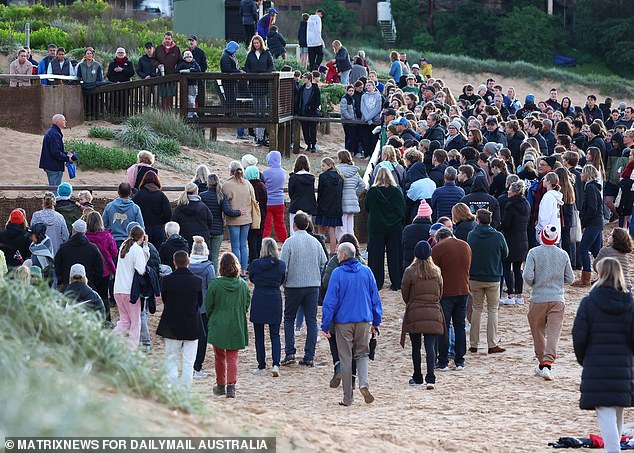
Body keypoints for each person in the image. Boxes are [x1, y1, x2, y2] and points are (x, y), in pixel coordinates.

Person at [572, 257, 634, 453]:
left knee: (606, 411)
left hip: (597, 363)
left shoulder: (589, 303)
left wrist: (584, 359)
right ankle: (613, 448)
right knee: (617, 409)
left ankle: (613, 450)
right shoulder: (630, 303)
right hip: (623, 363)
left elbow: (579, 335)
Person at [321, 242, 382, 406]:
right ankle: (364, 383)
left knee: (346, 357)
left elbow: (330, 302)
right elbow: (375, 299)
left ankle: (348, 397)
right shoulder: (366, 271)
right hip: (363, 320)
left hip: (344, 322)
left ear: (343, 256)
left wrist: (325, 325)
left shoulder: (337, 273)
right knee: (362, 354)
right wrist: (376, 322)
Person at [523, 225, 575, 380]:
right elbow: (570, 278)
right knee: (553, 333)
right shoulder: (563, 254)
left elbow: (527, 276)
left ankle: (543, 363)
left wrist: (535, 283)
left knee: (538, 331)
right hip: (557, 298)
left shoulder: (534, 252)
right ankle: (547, 364)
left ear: (542, 236)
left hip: (538, 298)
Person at [280, 212, 328, 367]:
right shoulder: (315, 242)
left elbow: (283, 266)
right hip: (312, 285)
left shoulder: (289, 242)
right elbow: (324, 263)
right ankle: (309, 356)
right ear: (307, 225)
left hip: (293, 285)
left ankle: (290, 352)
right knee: (311, 320)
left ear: (294, 225)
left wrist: (284, 282)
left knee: (289, 319)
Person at [400, 240, 445, 389]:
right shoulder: (436, 271)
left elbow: (405, 293)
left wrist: (412, 302)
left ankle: (417, 376)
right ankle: (431, 377)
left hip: (415, 311)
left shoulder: (410, 271)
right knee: (430, 346)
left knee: (416, 346)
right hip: (433, 311)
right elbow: (440, 292)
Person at [205, 252, 250, 398]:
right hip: (236, 321)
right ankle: (231, 386)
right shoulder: (243, 285)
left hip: (219, 322)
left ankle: (220, 385)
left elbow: (208, 305)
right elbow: (246, 304)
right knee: (232, 356)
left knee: (219, 356)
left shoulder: (215, 284)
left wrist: (213, 317)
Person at [156, 250, 202, 389]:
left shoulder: (168, 280)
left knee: (171, 358)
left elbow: (165, 299)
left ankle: (173, 387)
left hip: (172, 322)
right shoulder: (196, 281)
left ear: (174, 263)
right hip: (191, 323)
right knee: (189, 361)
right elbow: (199, 302)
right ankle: (185, 388)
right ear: (188, 262)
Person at [467, 209, 508, 354]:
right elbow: (505, 253)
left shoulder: (472, 235)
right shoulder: (497, 236)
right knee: (492, 309)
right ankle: (492, 343)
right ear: (490, 220)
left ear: (477, 220)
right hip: (493, 276)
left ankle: (474, 344)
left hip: (475, 276)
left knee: (476, 309)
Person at [248, 238, 286, 377]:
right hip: (274, 297)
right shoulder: (281, 265)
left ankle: (261, 364)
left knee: (259, 335)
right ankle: (276, 364)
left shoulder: (255, 264)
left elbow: (251, 278)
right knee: (275, 334)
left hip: (259, 297)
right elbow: (282, 279)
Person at [365, 167, 406, 291]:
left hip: (376, 226)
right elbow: (402, 210)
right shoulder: (396, 192)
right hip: (394, 227)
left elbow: (367, 208)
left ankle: (376, 282)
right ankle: (396, 281)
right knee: (395, 255)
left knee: (375, 256)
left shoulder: (372, 192)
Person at [113, 225, 149, 348]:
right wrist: (146, 249)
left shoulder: (124, 246)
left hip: (118, 289)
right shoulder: (136, 250)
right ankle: (131, 349)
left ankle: (109, 341)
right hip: (130, 291)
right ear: (142, 237)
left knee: (124, 321)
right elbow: (141, 270)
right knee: (135, 322)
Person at [187, 236, 215, 378]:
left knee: (190, 336)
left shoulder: (188, 265)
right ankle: (197, 366)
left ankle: (189, 365)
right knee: (202, 337)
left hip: (189, 305)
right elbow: (212, 287)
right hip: (203, 306)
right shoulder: (208, 267)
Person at [498, 180, 530, 305]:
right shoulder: (526, 204)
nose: (508, 192)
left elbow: (506, 224)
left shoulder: (510, 205)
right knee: (518, 268)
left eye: (510, 190)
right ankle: (519, 295)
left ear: (515, 192)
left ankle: (510, 295)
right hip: (522, 238)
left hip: (510, 239)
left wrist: (500, 225)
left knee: (507, 267)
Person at [200, 173, 241, 271]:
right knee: (215, 256)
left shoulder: (202, 196)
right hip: (218, 230)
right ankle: (213, 275)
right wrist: (239, 212)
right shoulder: (222, 196)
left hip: (206, 229)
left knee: (206, 255)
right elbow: (228, 211)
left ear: (208, 183)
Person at [573, 165, 604, 287]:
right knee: (596, 251)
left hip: (593, 222)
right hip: (597, 222)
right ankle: (603, 276)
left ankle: (586, 278)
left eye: (582, 173)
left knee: (583, 248)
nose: (581, 175)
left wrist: (584, 222)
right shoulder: (593, 187)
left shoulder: (590, 187)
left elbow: (592, 208)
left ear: (587, 174)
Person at [84, 211, 117, 323]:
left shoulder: (85, 237)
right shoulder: (107, 236)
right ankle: (106, 320)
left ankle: (92, 320)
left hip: (89, 271)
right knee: (103, 296)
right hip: (104, 270)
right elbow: (114, 252)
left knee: (90, 295)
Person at [222, 161, 255, 274]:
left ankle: (236, 270)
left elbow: (224, 203)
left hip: (234, 219)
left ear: (231, 171)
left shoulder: (226, 185)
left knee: (235, 246)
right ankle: (244, 270)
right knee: (243, 245)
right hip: (246, 218)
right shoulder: (247, 184)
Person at [244, 35, 274, 146]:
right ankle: (257, 137)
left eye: (258, 43)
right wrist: (250, 75)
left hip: (264, 84)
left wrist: (265, 76)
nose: (256, 44)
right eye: (254, 43)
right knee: (256, 110)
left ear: (261, 43)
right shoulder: (250, 54)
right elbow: (247, 67)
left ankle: (263, 137)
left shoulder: (266, 53)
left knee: (263, 109)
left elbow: (271, 66)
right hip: (253, 84)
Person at [131, 171, 171, 249]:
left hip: (142, 229)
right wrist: (160, 222)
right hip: (158, 229)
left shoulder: (138, 195)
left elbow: (133, 212)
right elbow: (168, 214)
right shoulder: (161, 195)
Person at [171, 183, 213, 249]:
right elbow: (210, 221)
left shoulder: (179, 208)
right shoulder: (203, 207)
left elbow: (174, 222)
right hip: (201, 237)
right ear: (196, 192)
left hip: (185, 237)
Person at [315, 157, 344, 254]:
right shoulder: (340, 177)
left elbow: (320, 193)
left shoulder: (323, 176)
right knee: (332, 233)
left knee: (320, 232)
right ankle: (332, 253)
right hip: (335, 208)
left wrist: (318, 205)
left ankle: (321, 252)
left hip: (323, 206)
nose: (322, 168)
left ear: (329, 165)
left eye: (323, 165)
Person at [102, 182, 145, 247]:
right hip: (130, 243)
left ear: (118, 192)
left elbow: (103, 225)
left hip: (112, 241)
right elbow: (141, 227)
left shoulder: (109, 206)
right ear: (130, 193)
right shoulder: (135, 208)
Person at [336, 150, 366, 239]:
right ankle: (351, 244)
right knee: (350, 226)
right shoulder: (354, 171)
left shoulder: (337, 170)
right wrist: (355, 193)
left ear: (340, 159)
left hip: (341, 199)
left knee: (342, 227)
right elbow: (362, 185)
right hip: (352, 199)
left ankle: (343, 244)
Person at [39, 114, 73, 189]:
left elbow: (55, 150)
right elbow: (55, 153)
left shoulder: (52, 132)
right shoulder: (54, 134)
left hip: (51, 165)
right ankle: (53, 201)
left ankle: (52, 200)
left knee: (53, 187)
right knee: (55, 189)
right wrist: (67, 158)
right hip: (54, 166)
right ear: (58, 122)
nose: (65, 122)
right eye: (64, 120)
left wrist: (66, 153)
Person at [288, 154, 318, 234]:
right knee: (308, 229)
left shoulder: (293, 178)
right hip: (308, 206)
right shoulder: (311, 178)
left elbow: (291, 192)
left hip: (296, 205)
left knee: (293, 229)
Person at [261, 151, 287, 243]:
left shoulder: (266, 172)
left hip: (268, 201)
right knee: (280, 224)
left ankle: (264, 244)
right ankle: (285, 242)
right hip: (279, 201)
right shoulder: (283, 172)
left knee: (267, 225)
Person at [402, 200, 433, 272]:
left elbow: (402, 247)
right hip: (425, 265)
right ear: (429, 215)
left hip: (408, 263)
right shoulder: (430, 230)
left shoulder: (407, 229)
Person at [245, 165, 267, 262]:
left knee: (252, 238)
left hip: (251, 215)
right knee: (259, 237)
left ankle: (253, 259)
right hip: (261, 214)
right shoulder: (262, 185)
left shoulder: (247, 185)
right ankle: (258, 257)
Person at [155, 32, 182, 109]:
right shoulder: (159, 48)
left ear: (171, 39)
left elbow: (180, 61)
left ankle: (169, 111)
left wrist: (176, 70)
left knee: (170, 95)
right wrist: (158, 65)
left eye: (169, 39)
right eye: (166, 38)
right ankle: (163, 112)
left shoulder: (176, 49)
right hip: (162, 76)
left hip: (172, 76)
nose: (167, 40)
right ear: (164, 38)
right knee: (163, 95)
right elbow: (154, 59)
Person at [296, 72, 321, 152]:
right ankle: (308, 144)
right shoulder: (302, 88)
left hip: (312, 113)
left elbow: (318, 101)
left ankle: (313, 144)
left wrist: (311, 107)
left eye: (305, 78)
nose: (304, 79)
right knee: (305, 130)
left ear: (309, 79)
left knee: (313, 130)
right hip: (303, 112)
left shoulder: (315, 89)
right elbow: (299, 100)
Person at [536, 172, 563, 243]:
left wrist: (539, 229)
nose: (543, 181)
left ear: (549, 182)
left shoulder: (548, 196)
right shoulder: (554, 196)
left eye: (544, 179)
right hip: (555, 233)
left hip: (547, 234)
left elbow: (544, 216)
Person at [176, 50, 201, 117]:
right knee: (190, 100)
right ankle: (190, 114)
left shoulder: (194, 63)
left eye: (190, 57)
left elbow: (199, 70)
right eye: (187, 57)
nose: (189, 58)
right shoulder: (182, 64)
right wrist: (186, 71)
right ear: (184, 58)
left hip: (194, 84)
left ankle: (193, 113)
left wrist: (190, 70)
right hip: (186, 85)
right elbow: (178, 71)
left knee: (194, 98)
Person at [186, 35, 208, 108]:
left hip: (199, 80)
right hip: (188, 81)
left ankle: (200, 115)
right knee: (189, 99)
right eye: (190, 41)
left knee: (200, 98)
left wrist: (196, 71)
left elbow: (204, 66)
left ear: (196, 42)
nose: (191, 42)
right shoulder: (186, 52)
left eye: (192, 41)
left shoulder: (201, 53)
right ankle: (189, 116)